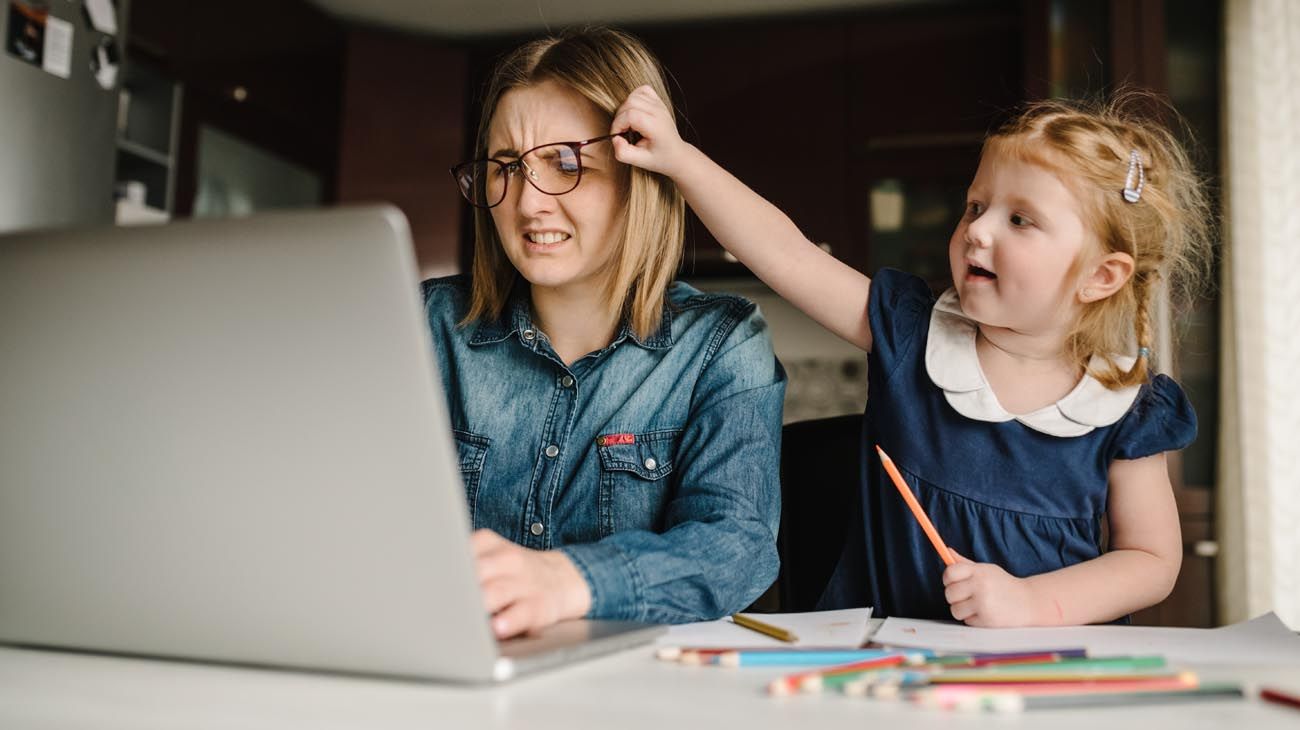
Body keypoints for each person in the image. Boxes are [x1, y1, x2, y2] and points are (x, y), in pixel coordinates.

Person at [613, 86, 1212, 626]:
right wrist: (679, 159)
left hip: (1044, 674)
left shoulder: (1127, 405)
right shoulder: (910, 332)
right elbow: (786, 255)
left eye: (1020, 220)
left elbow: (1150, 561)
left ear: (1101, 275)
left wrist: (1032, 604)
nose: (978, 231)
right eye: (976, 206)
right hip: (885, 663)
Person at [425, 28, 786, 639]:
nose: (528, 203)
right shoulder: (429, 326)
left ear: (639, 175)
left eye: (566, 163)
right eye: (506, 166)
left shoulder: (720, 345)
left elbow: (736, 549)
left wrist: (570, 581)